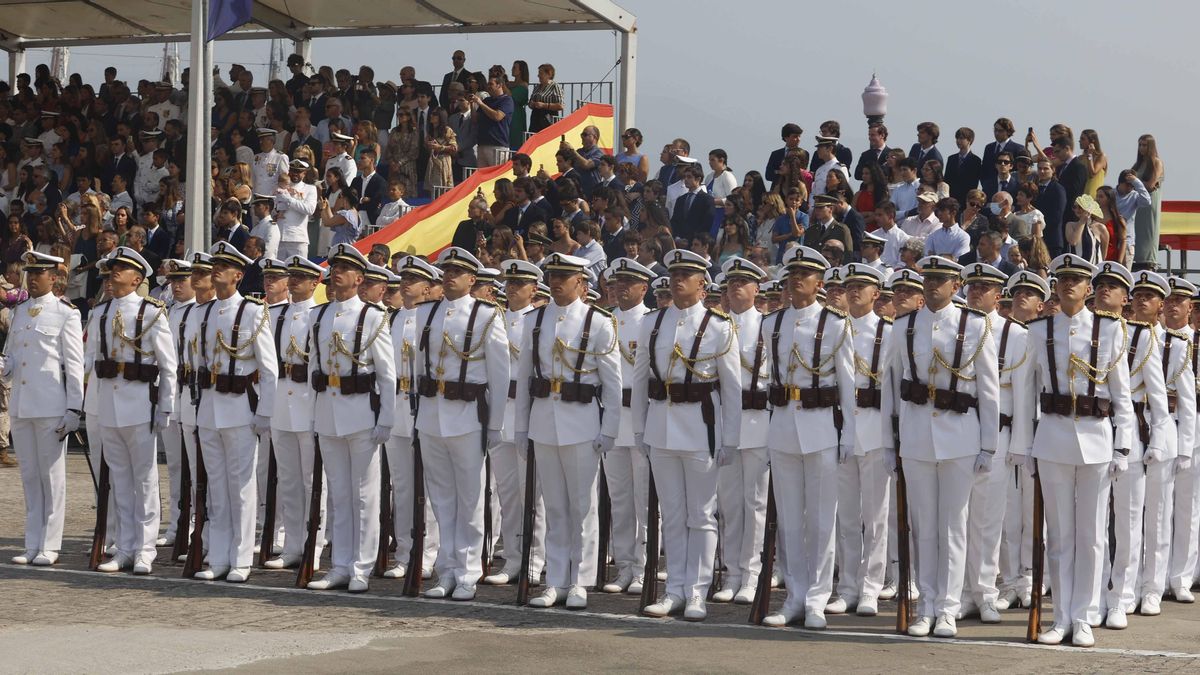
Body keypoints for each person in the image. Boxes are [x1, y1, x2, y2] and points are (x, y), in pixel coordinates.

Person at [1009, 253, 1135, 648]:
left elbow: (1122, 393)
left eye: (1077, 280)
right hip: (1052, 437)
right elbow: (1025, 394)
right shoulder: (1038, 330)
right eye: (1062, 279)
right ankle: (1061, 617)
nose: (1068, 285)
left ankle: (1084, 616)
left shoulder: (1110, 329)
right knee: (1059, 535)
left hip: (1097, 438)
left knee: (1093, 535)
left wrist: (1123, 444)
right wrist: (1022, 447)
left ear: (1088, 289)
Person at [632, 249, 741, 622]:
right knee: (672, 514)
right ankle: (674, 589)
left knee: (702, 514)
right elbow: (641, 378)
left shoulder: (719, 325)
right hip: (661, 425)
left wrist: (730, 438)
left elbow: (731, 388)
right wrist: (639, 427)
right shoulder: (653, 322)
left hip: (701, 428)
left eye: (686, 274)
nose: (678, 279)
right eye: (674, 273)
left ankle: (697, 591)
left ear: (702, 284)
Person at [894, 256, 998, 639]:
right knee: (924, 527)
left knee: (954, 527)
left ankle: (948, 609)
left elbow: (988, 390)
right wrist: (895, 442)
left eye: (941, 279)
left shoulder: (974, 324)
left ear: (956, 286)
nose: (933, 285)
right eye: (929, 278)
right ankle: (926, 605)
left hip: (960, 437)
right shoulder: (903, 325)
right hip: (918, 436)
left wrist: (988, 445)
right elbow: (895, 387)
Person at [757, 245, 856, 629]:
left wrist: (847, 432)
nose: (797, 279)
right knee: (790, 521)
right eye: (793, 272)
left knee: (820, 519)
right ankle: (794, 596)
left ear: (819, 282)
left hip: (820, 426)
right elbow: (770, 380)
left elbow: (847, 384)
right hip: (783, 425)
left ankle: (816, 597)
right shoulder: (772, 323)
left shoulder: (835, 322)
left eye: (806, 273)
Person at [514, 252, 620, 610]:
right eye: (552, 274)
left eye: (564, 275)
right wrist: (521, 428)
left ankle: (581, 580)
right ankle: (555, 578)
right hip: (545, 421)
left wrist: (610, 430)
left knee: (582, 507)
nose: (556, 280)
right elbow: (527, 376)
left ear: (582, 282)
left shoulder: (599, 321)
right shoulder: (536, 320)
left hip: (582, 421)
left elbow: (613, 384)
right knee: (555, 507)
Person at [413, 247, 509, 601]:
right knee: (441, 499)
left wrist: (495, 424)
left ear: (473, 279)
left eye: (458, 271)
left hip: (468, 415)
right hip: (431, 412)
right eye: (446, 270)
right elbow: (416, 365)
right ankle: (447, 569)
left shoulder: (486, 316)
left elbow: (500, 374)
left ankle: (468, 571)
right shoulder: (426, 312)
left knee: (469, 499)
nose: (449, 275)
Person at [304, 244, 396, 593]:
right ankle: (340, 564)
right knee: (339, 494)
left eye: (345, 268)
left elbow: (387, 374)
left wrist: (386, 419)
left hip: (361, 413)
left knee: (364, 495)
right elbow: (314, 367)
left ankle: (361, 566)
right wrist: (314, 413)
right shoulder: (318, 315)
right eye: (334, 267)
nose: (337, 272)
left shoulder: (373, 317)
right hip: (328, 412)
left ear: (360, 278)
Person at [189, 242, 278, 583]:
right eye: (215, 265)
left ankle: (240, 559)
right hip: (211, 405)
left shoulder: (253, 311)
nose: (216, 270)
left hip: (241, 407)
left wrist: (264, 414)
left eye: (223, 266)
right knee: (216, 487)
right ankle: (218, 556)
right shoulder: (205, 312)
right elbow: (200, 363)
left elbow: (269, 369)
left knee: (240, 487)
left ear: (238, 275)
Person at [90, 247, 177, 575]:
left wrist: (165, 407)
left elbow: (168, 366)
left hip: (140, 405)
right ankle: (124, 547)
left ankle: (145, 548)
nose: (114, 273)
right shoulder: (99, 312)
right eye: (113, 268)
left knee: (144, 480)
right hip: (110, 406)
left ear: (137, 278)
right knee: (120, 481)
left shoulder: (151, 311)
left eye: (121, 269)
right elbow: (92, 362)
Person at [4, 251, 84, 567]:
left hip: (51, 406)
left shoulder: (66, 313)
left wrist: (73, 409)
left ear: (54, 277)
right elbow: (12, 361)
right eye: (29, 272)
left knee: (52, 478)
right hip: (22, 406)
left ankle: (50, 545)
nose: (33, 278)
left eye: (39, 273)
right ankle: (32, 542)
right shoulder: (19, 311)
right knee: (30, 477)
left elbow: (74, 365)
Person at [957, 262, 1019, 626]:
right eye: (972, 285)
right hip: (962, 430)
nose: (976, 291)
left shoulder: (1016, 334)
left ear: (999, 295)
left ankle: (984, 593)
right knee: (957, 519)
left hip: (1000, 434)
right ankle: (962, 593)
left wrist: (1020, 446)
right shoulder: (956, 328)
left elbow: (1023, 397)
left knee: (988, 520)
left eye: (984, 287)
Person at [478, 259, 545, 586]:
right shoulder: (494, 319)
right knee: (506, 494)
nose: (513, 288)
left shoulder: (537, 322)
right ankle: (514, 557)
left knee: (530, 493)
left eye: (520, 284)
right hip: (499, 412)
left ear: (534, 289)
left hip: (526, 413)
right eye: (510, 283)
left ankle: (534, 558)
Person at [832, 262, 892, 617]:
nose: (854, 290)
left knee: (876, 515)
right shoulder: (834, 329)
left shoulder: (889, 333)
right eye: (850, 284)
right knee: (846, 517)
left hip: (873, 430)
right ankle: (847, 587)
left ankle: (871, 586)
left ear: (876, 294)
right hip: (841, 430)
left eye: (862, 286)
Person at [262, 255, 328, 571]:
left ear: (315, 283)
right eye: (292, 276)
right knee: (288, 479)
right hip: (281, 402)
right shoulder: (279, 314)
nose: (294, 282)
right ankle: (291, 546)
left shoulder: (319, 315)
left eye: (301, 277)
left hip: (308, 402)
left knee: (312, 480)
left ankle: (313, 546)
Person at [597, 257, 655, 595]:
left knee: (644, 499)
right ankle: (624, 566)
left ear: (643, 288)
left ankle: (644, 566)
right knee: (619, 499)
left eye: (627, 283)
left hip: (642, 417)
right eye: (616, 283)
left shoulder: (650, 322)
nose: (619, 288)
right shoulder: (605, 321)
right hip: (613, 418)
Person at [1140, 275, 1196, 616]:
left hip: (1180, 427)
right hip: (1142, 427)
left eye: (1180, 300)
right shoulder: (1135, 338)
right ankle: (1144, 580)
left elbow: (1188, 399)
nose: (1173, 305)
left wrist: (1187, 446)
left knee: (1184, 508)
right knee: (1141, 512)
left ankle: (1180, 577)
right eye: (1169, 299)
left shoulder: (1185, 342)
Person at [996, 271, 1050, 610]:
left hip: (1039, 431)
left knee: (1035, 515)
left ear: (1041, 304)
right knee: (1007, 513)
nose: (1020, 298)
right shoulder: (1002, 335)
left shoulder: (1045, 337)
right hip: (1007, 432)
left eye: (1028, 294)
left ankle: (1033, 575)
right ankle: (1009, 578)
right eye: (1016, 293)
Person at [1131, 134, 1164, 270]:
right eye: (1140, 145)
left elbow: (1150, 185)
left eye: (1144, 145)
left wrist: (1135, 182)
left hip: (1149, 204)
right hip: (1137, 204)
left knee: (1148, 232)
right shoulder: (1138, 164)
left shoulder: (1156, 162)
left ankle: (1148, 260)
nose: (1141, 148)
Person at [274, 159, 318, 261]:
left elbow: (310, 209)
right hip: (279, 236)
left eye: (298, 172)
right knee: (279, 273)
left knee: (298, 273)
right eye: (293, 171)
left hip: (297, 239)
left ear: (304, 173)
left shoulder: (310, 189)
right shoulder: (280, 187)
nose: (295, 174)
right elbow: (273, 208)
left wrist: (289, 200)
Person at [473, 76, 513, 168]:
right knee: (482, 178)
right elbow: (475, 119)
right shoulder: (487, 100)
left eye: (491, 84)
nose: (488, 86)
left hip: (498, 145)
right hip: (482, 144)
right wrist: (472, 104)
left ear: (500, 85)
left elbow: (497, 116)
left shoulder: (507, 100)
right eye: (488, 84)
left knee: (496, 176)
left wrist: (481, 104)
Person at [981, 118, 1024, 197]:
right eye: (995, 130)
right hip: (990, 190)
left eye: (1000, 131)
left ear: (1008, 131)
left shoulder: (1018, 148)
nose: (997, 133)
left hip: (1010, 190)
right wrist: (985, 185)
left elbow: (1020, 170)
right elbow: (984, 169)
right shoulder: (989, 147)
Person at [945, 127, 981, 205]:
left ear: (969, 140)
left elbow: (973, 184)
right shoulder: (951, 159)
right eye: (957, 138)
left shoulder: (976, 160)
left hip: (966, 201)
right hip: (951, 200)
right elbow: (947, 180)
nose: (958, 141)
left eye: (961, 138)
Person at [527, 64, 564, 134]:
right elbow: (530, 102)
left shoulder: (555, 86)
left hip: (548, 120)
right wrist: (532, 104)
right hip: (535, 119)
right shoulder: (537, 87)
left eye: (541, 73)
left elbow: (561, 105)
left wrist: (544, 105)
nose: (538, 76)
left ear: (549, 74)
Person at [1079, 129, 1107, 198]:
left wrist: (1090, 155)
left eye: (1083, 139)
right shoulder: (1080, 158)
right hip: (1082, 197)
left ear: (1092, 141)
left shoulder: (1101, 156)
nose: (1079, 141)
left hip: (1095, 197)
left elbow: (1092, 173)